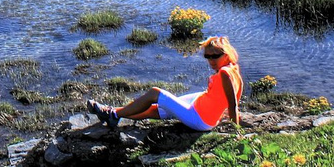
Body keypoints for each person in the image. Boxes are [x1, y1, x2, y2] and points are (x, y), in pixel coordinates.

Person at [88, 35, 242, 131]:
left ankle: (113, 114)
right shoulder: (233, 68)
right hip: (201, 107)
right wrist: (222, 113)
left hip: (200, 119)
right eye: (207, 57)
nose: (211, 61)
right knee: (155, 110)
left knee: (156, 93)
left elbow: (233, 104)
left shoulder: (224, 73)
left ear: (226, 53)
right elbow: (236, 94)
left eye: (215, 56)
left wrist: (236, 131)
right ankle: (112, 112)